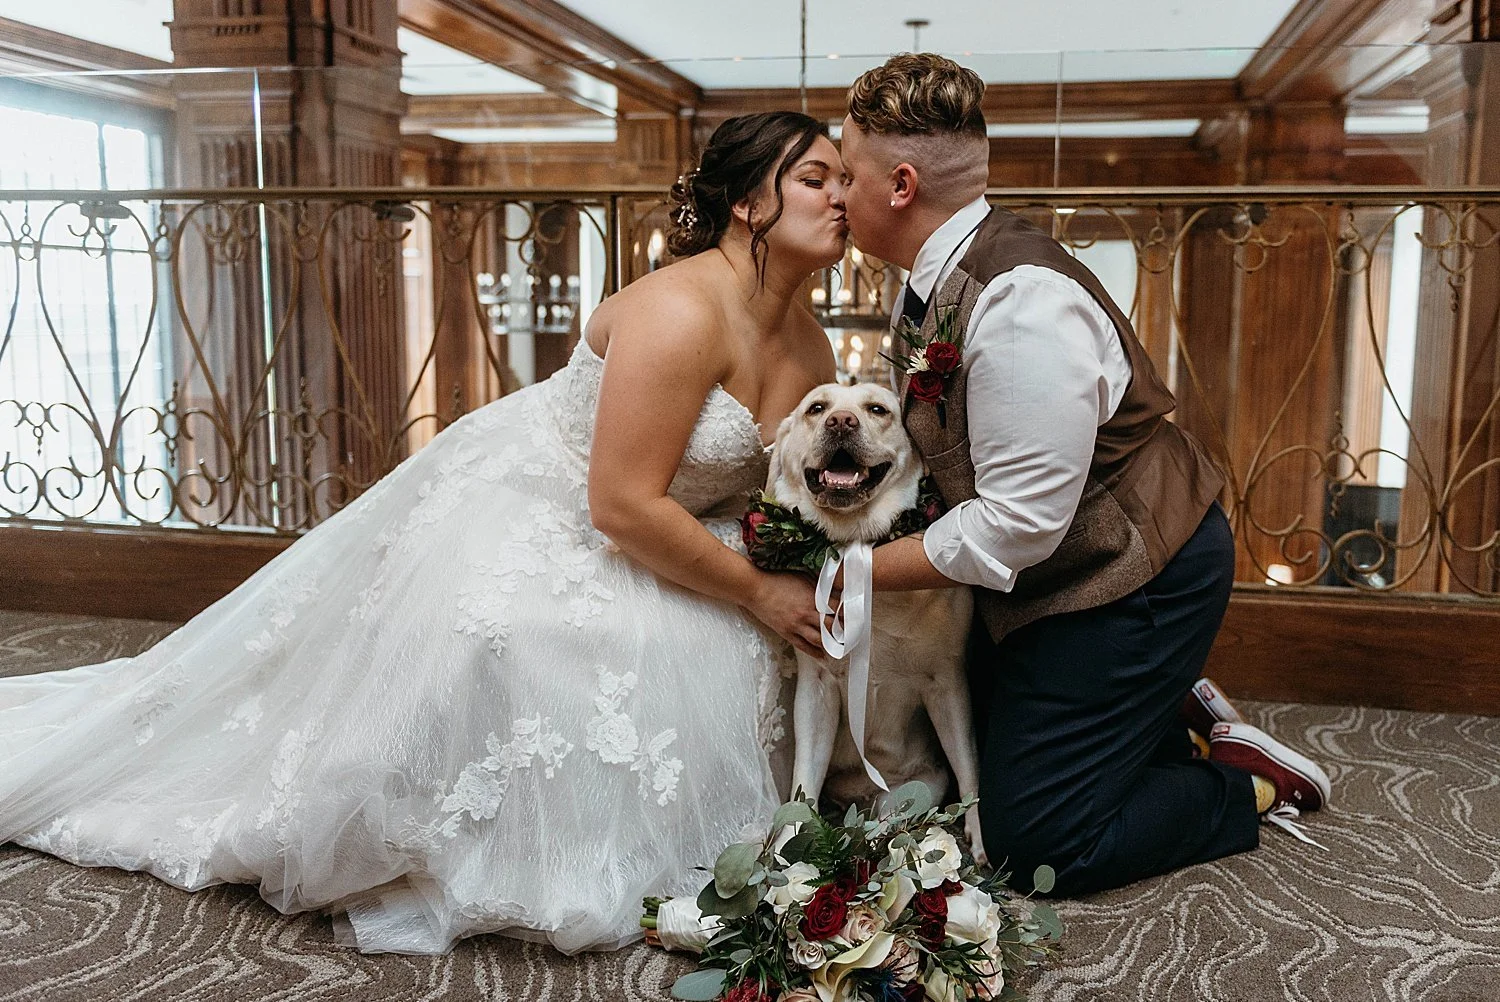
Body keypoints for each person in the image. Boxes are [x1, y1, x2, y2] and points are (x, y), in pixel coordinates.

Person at [0, 111, 845, 955]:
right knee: (521, 637)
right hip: (550, 503)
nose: (842, 197)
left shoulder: (812, 352)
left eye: (846, 180)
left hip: (683, 524)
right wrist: (756, 590)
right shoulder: (678, 312)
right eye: (816, 179)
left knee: (739, 654)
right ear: (746, 202)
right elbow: (621, 506)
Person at [837, 54, 1333, 896]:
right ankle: (1168, 718)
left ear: (901, 186)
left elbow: (1016, 525)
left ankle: (1243, 783)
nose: (839, 194)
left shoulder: (1020, 305)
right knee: (967, 765)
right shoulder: (933, 276)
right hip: (1047, 579)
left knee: (1041, 842)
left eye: (848, 175)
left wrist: (852, 572)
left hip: (1134, 575)